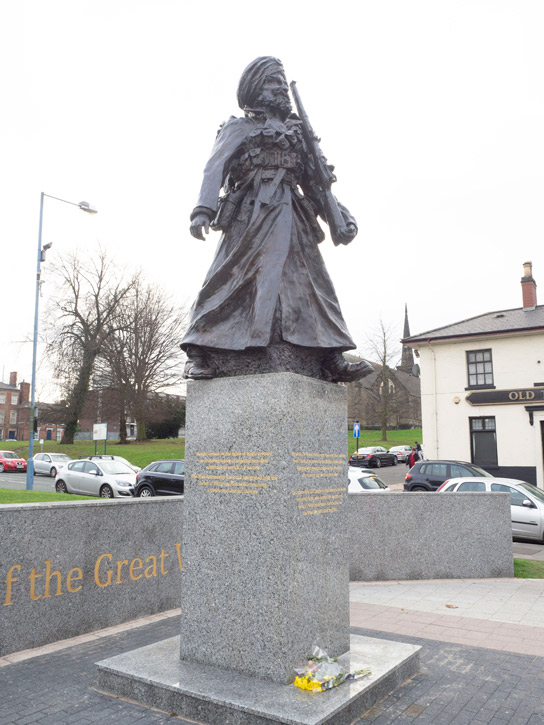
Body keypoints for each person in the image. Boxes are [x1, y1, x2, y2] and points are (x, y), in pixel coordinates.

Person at [181, 56, 372, 384]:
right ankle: (199, 351)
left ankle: (328, 356)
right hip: (252, 213)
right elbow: (215, 167)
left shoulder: (299, 134)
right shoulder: (239, 127)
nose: (280, 88)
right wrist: (203, 209)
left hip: (293, 216)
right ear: (256, 91)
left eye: (281, 82)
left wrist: (340, 216)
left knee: (312, 286)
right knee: (229, 279)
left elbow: (317, 182)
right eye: (272, 82)